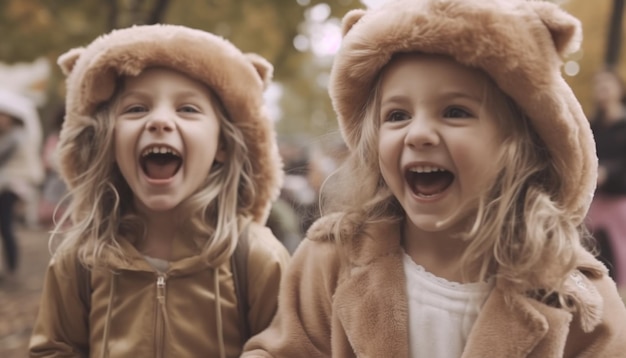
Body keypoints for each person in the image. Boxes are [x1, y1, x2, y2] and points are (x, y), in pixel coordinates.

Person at [242, 0, 626, 357]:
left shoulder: (579, 297)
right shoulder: (331, 259)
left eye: (455, 111)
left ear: (522, 146)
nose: (418, 133)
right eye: (397, 115)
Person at [29, 24, 290, 357]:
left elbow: (287, 346)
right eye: (136, 108)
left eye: (187, 109)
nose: (160, 121)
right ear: (107, 141)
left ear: (222, 144)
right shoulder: (80, 260)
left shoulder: (256, 256)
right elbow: (53, 348)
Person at [585, 69, 626, 293]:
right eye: (598, 84)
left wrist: (609, 172)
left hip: (620, 200)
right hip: (595, 200)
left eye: (607, 83)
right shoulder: (591, 126)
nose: (602, 89)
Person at [0, 89, 45, 285]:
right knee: (5, 225)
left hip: (12, 185)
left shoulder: (15, 136)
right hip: (10, 184)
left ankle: (11, 268)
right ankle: (10, 267)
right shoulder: (14, 135)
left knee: (5, 224)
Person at [38, 105, 69, 228]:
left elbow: (47, 162)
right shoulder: (56, 138)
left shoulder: (54, 138)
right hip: (61, 183)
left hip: (58, 183)